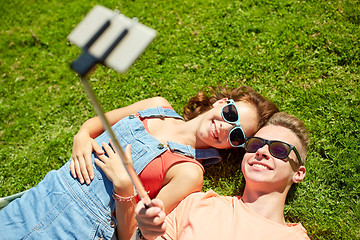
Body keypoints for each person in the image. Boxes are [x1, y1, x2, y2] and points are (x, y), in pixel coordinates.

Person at [0, 86, 279, 240]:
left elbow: (132, 235)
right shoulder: (157, 105)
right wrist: (82, 135)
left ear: (235, 145)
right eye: (231, 114)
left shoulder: (189, 172)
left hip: (79, 230)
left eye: (237, 134)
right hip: (44, 194)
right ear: (221, 102)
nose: (225, 127)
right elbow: (97, 124)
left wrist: (123, 186)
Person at [133, 112, 310, 240]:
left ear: (298, 173)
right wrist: (144, 234)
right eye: (255, 144)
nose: (262, 151)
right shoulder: (198, 204)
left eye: (279, 149)